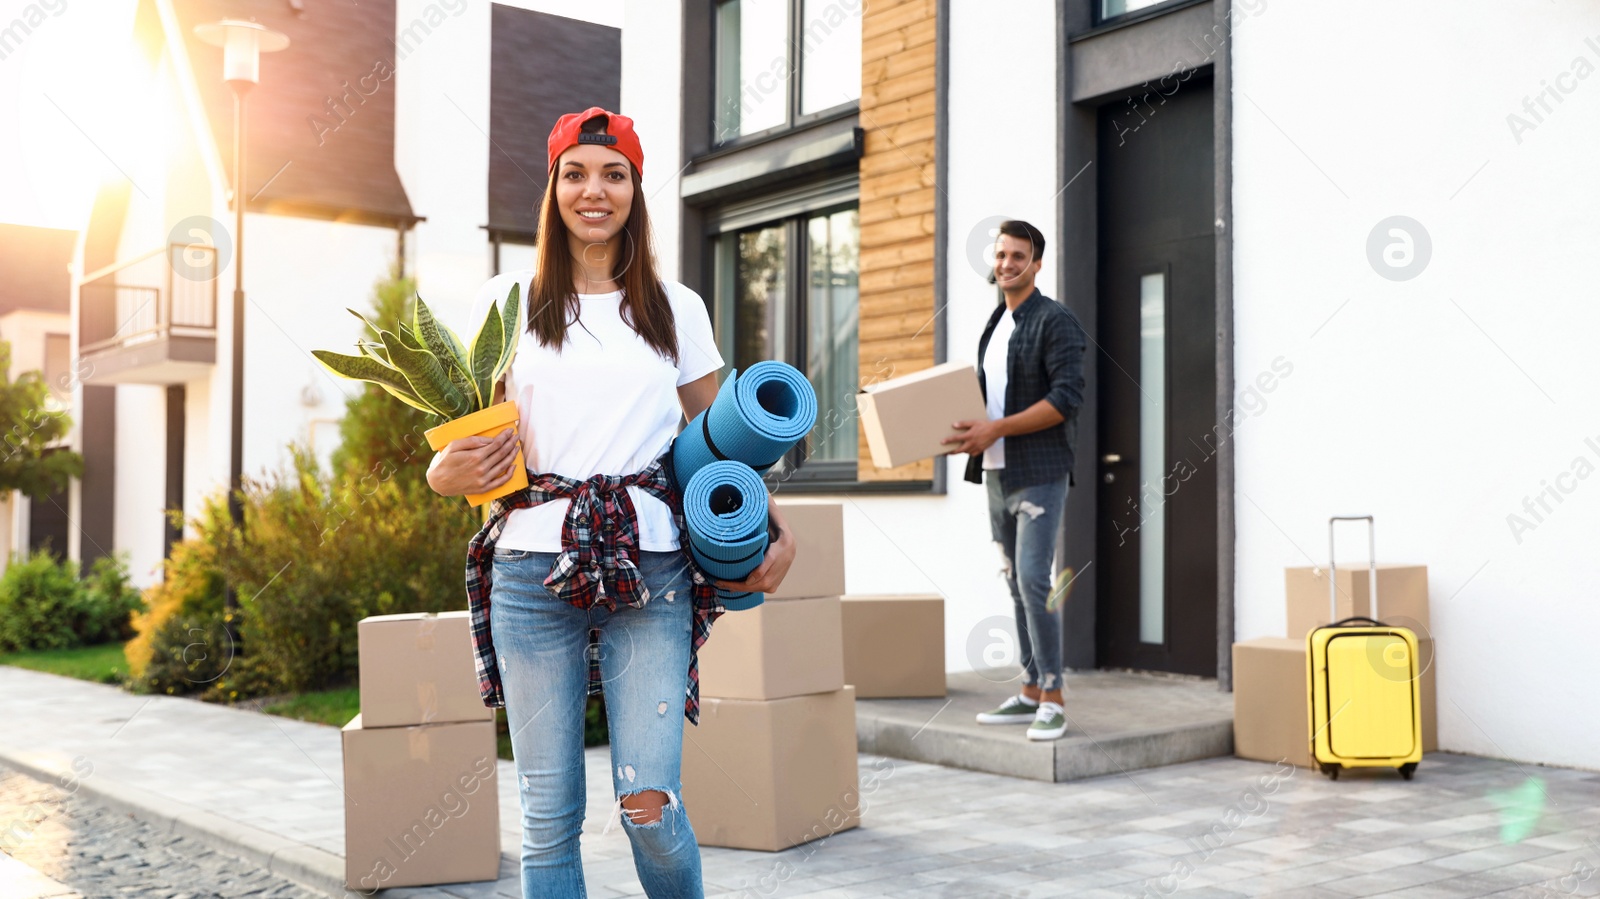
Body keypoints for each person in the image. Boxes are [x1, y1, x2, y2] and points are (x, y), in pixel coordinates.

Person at [426, 107, 796, 899]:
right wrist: (440, 477)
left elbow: (724, 439)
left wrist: (773, 530)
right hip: (528, 568)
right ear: (554, 187)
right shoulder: (508, 301)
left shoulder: (675, 306)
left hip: (651, 566)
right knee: (548, 819)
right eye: (577, 173)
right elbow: (460, 443)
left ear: (636, 188)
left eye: (614, 173)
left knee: (649, 807)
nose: (595, 191)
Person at [942, 219, 1085, 742]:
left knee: (1033, 579)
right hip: (998, 472)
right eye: (1001, 255)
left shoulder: (1056, 321)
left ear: (1037, 263)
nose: (1006, 264)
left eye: (1018, 256)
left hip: (1041, 472)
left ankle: (1054, 692)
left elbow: (1066, 399)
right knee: (1015, 584)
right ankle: (1029, 690)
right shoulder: (996, 321)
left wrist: (995, 429)